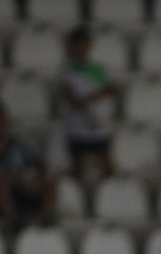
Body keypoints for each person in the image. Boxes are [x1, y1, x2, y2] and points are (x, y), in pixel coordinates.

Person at [60, 27, 120, 180]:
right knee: (76, 169)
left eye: (85, 44)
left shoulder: (100, 68)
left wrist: (95, 98)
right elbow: (74, 101)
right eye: (78, 44)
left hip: (98, 126)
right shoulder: (68, 70)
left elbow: (114, 90)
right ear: (72, 46)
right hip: (77, 128)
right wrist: (102, 94)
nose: (82, 48)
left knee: (109, 168)